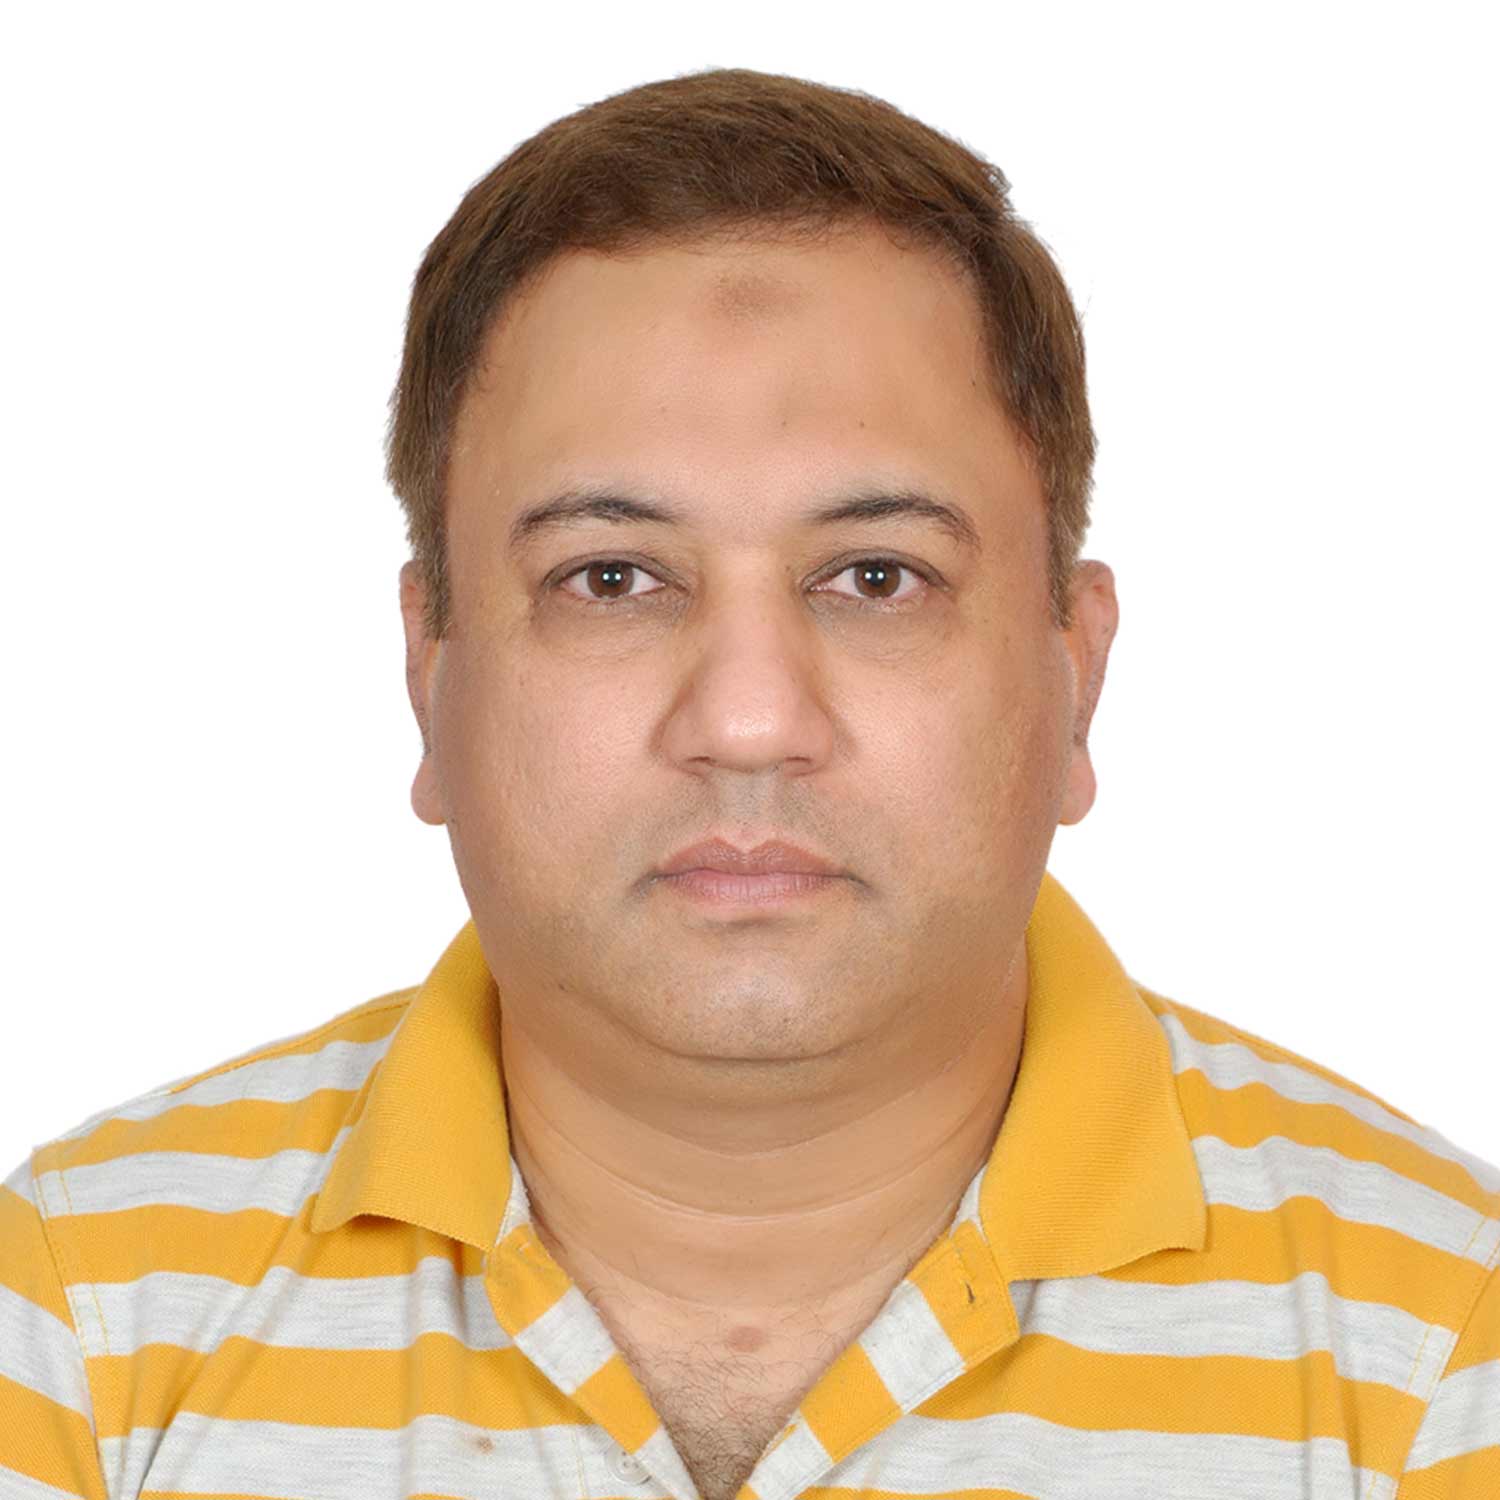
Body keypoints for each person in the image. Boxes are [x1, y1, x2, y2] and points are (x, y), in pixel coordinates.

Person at [2, 65, 1494, 1500]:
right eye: (609, 576)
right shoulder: (76, 1316)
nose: (751, 719)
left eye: (876, 575)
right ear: (429, 672)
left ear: (1077, 672)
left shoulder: (1445, 1344)